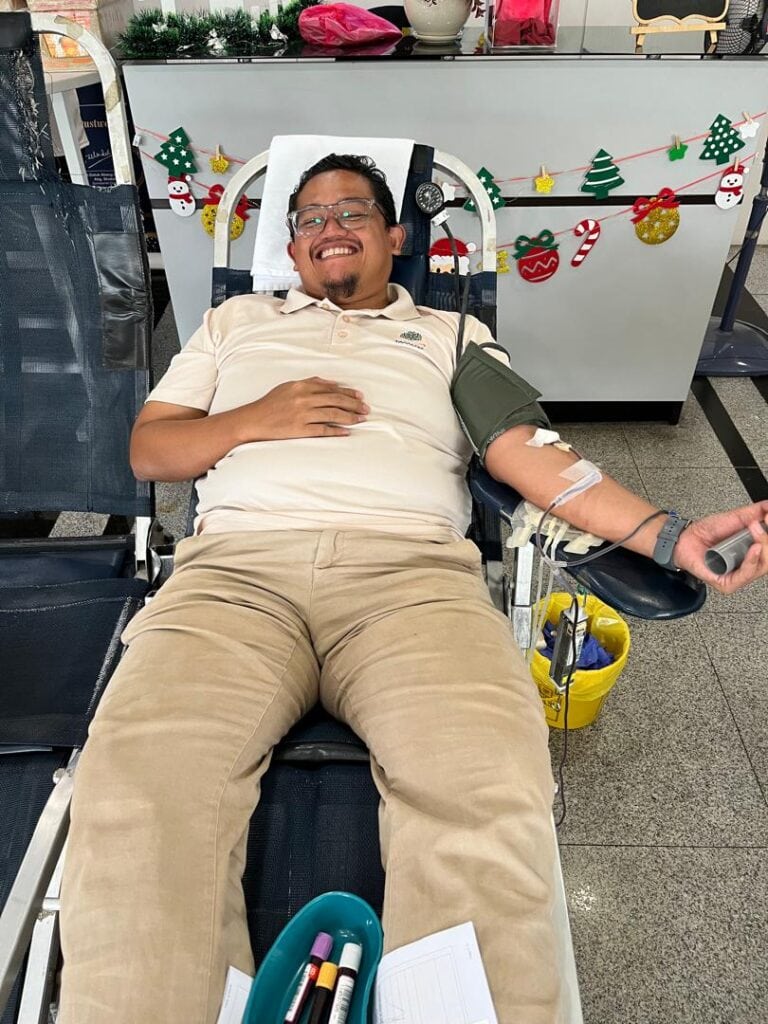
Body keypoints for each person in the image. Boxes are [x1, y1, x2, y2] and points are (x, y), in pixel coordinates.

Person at [58, 154, 768, 1024]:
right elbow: (150, 450)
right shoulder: (233, 323)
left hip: (412, 580)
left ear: (397, 236)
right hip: (235, 576)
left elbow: (533, 456)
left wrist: (666, 532)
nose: (329, 228)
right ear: (292, 246)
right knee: (139, 791)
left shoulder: (453, 335)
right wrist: (256, 420)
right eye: (310, 218)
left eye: (352, 211)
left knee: (484, 790)